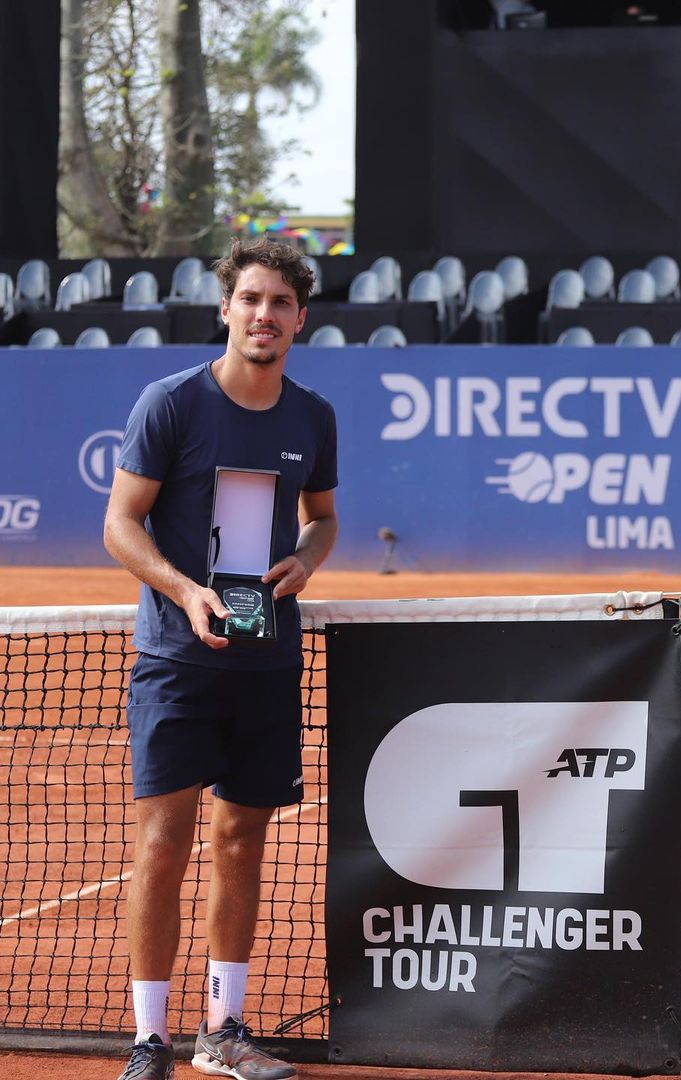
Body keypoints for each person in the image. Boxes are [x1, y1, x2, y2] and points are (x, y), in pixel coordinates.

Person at [104, 238, 338, 1080]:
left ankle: (224, 1031)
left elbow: (322, 517)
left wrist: (307, 560)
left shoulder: (312, 415)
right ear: (227, 309)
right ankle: (149, 1040)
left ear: (299, 318)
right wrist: (183, 591)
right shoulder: (169, 403)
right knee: (163, 845)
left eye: (280, 302)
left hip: (268, 663)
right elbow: (120, 524)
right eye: (251, 299)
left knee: (241, 840)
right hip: (176, 661)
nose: (264, 315)